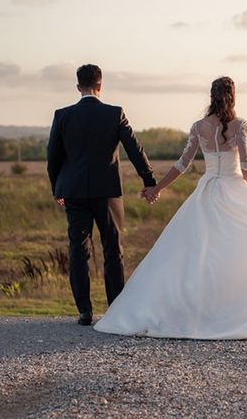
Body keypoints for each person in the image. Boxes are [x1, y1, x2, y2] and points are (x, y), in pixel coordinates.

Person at [94, 76, 247, 339]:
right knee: (240, 251)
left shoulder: (199, 127)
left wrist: (158, 188)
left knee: (199, 252)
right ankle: (239, 307)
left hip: (208, 191)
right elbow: (246, 164)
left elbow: (182, 164)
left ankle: (201, 307)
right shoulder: (240, 125)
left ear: (211, 96)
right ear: (233, 96)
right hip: (235, 189)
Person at [47, 64, 158, 326]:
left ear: (78, 87)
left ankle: (84, 312)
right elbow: (135, 149)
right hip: (107, 193)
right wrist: (149, 180)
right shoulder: (114, 113)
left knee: (78, 249)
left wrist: (58, 189)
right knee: (113, 250)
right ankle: (115, 309)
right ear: (100, 85)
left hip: (73, 192)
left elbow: (53, 157)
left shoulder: (62, 115)